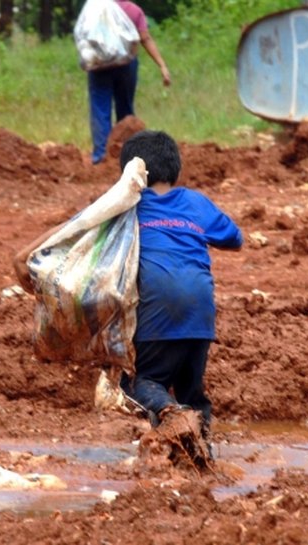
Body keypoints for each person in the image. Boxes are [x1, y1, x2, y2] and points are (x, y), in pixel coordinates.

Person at [13, 130, 242, 453]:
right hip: (201, 315)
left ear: (130, 175)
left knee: (139, 384)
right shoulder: (195, 202)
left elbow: (77, 227)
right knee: (193, 393)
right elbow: (234, 238)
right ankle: (199, 455)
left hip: (156, 311)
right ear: (174, 169)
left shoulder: (126, 206)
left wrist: (25, 255)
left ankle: (172, 416)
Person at [87, 1, 171, 165]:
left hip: (99, 65)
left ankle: (101, 156)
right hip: (126, 66)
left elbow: (85, 34)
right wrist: (162, 65)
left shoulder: (97, 9)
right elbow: (145, 38)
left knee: (100, 109)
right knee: (125, 110)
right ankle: (127, 156)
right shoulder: (134, 11)